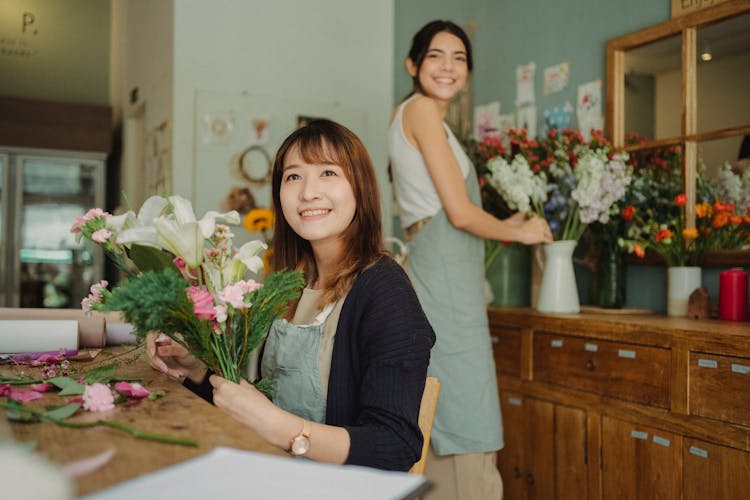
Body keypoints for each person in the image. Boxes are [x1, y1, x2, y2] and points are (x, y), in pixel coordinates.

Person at [147, 119, 436, 471]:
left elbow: (395, 445)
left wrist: (282, 429)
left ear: (361, 188)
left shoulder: (384, 289)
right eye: (293, 176)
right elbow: (255, 407)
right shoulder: (289, 286)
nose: (308, 192)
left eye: (328, 173)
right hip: (272, 472)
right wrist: (195, 371)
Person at [388, 20, 553, 499]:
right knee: (467, 412)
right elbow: (459, 214)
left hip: (444, 274)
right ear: (413, 65)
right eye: (436, 55)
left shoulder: (430, 121)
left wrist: (508, 221)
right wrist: (519, 233)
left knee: (447, 408)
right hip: (443, 278)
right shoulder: (420, 110)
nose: (448, 67)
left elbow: (447, 210)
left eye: (459, 58)